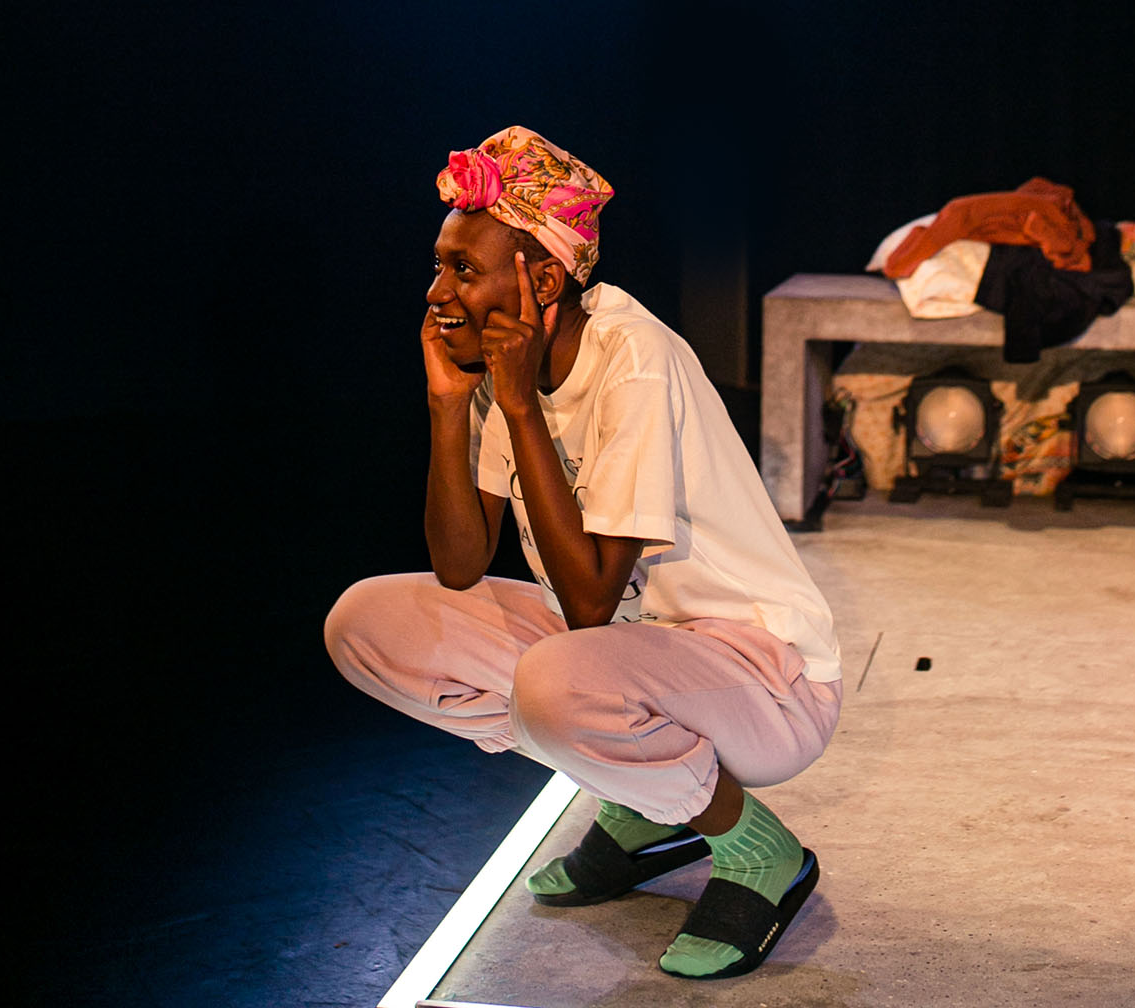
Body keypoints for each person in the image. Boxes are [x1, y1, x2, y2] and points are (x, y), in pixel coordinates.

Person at [324, 126, 843, 980]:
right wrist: (447, 406)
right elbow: (459, 567)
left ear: (542, 280)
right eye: (440, 266)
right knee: (368, 624)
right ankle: (642, 798)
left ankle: (759, 851)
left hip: (764, 679)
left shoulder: (633, 358)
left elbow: (593, 600)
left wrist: (519, 408)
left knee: (558, 680)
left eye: (463, 270)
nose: (436, 293)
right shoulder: (508, 368)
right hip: (625, 657)